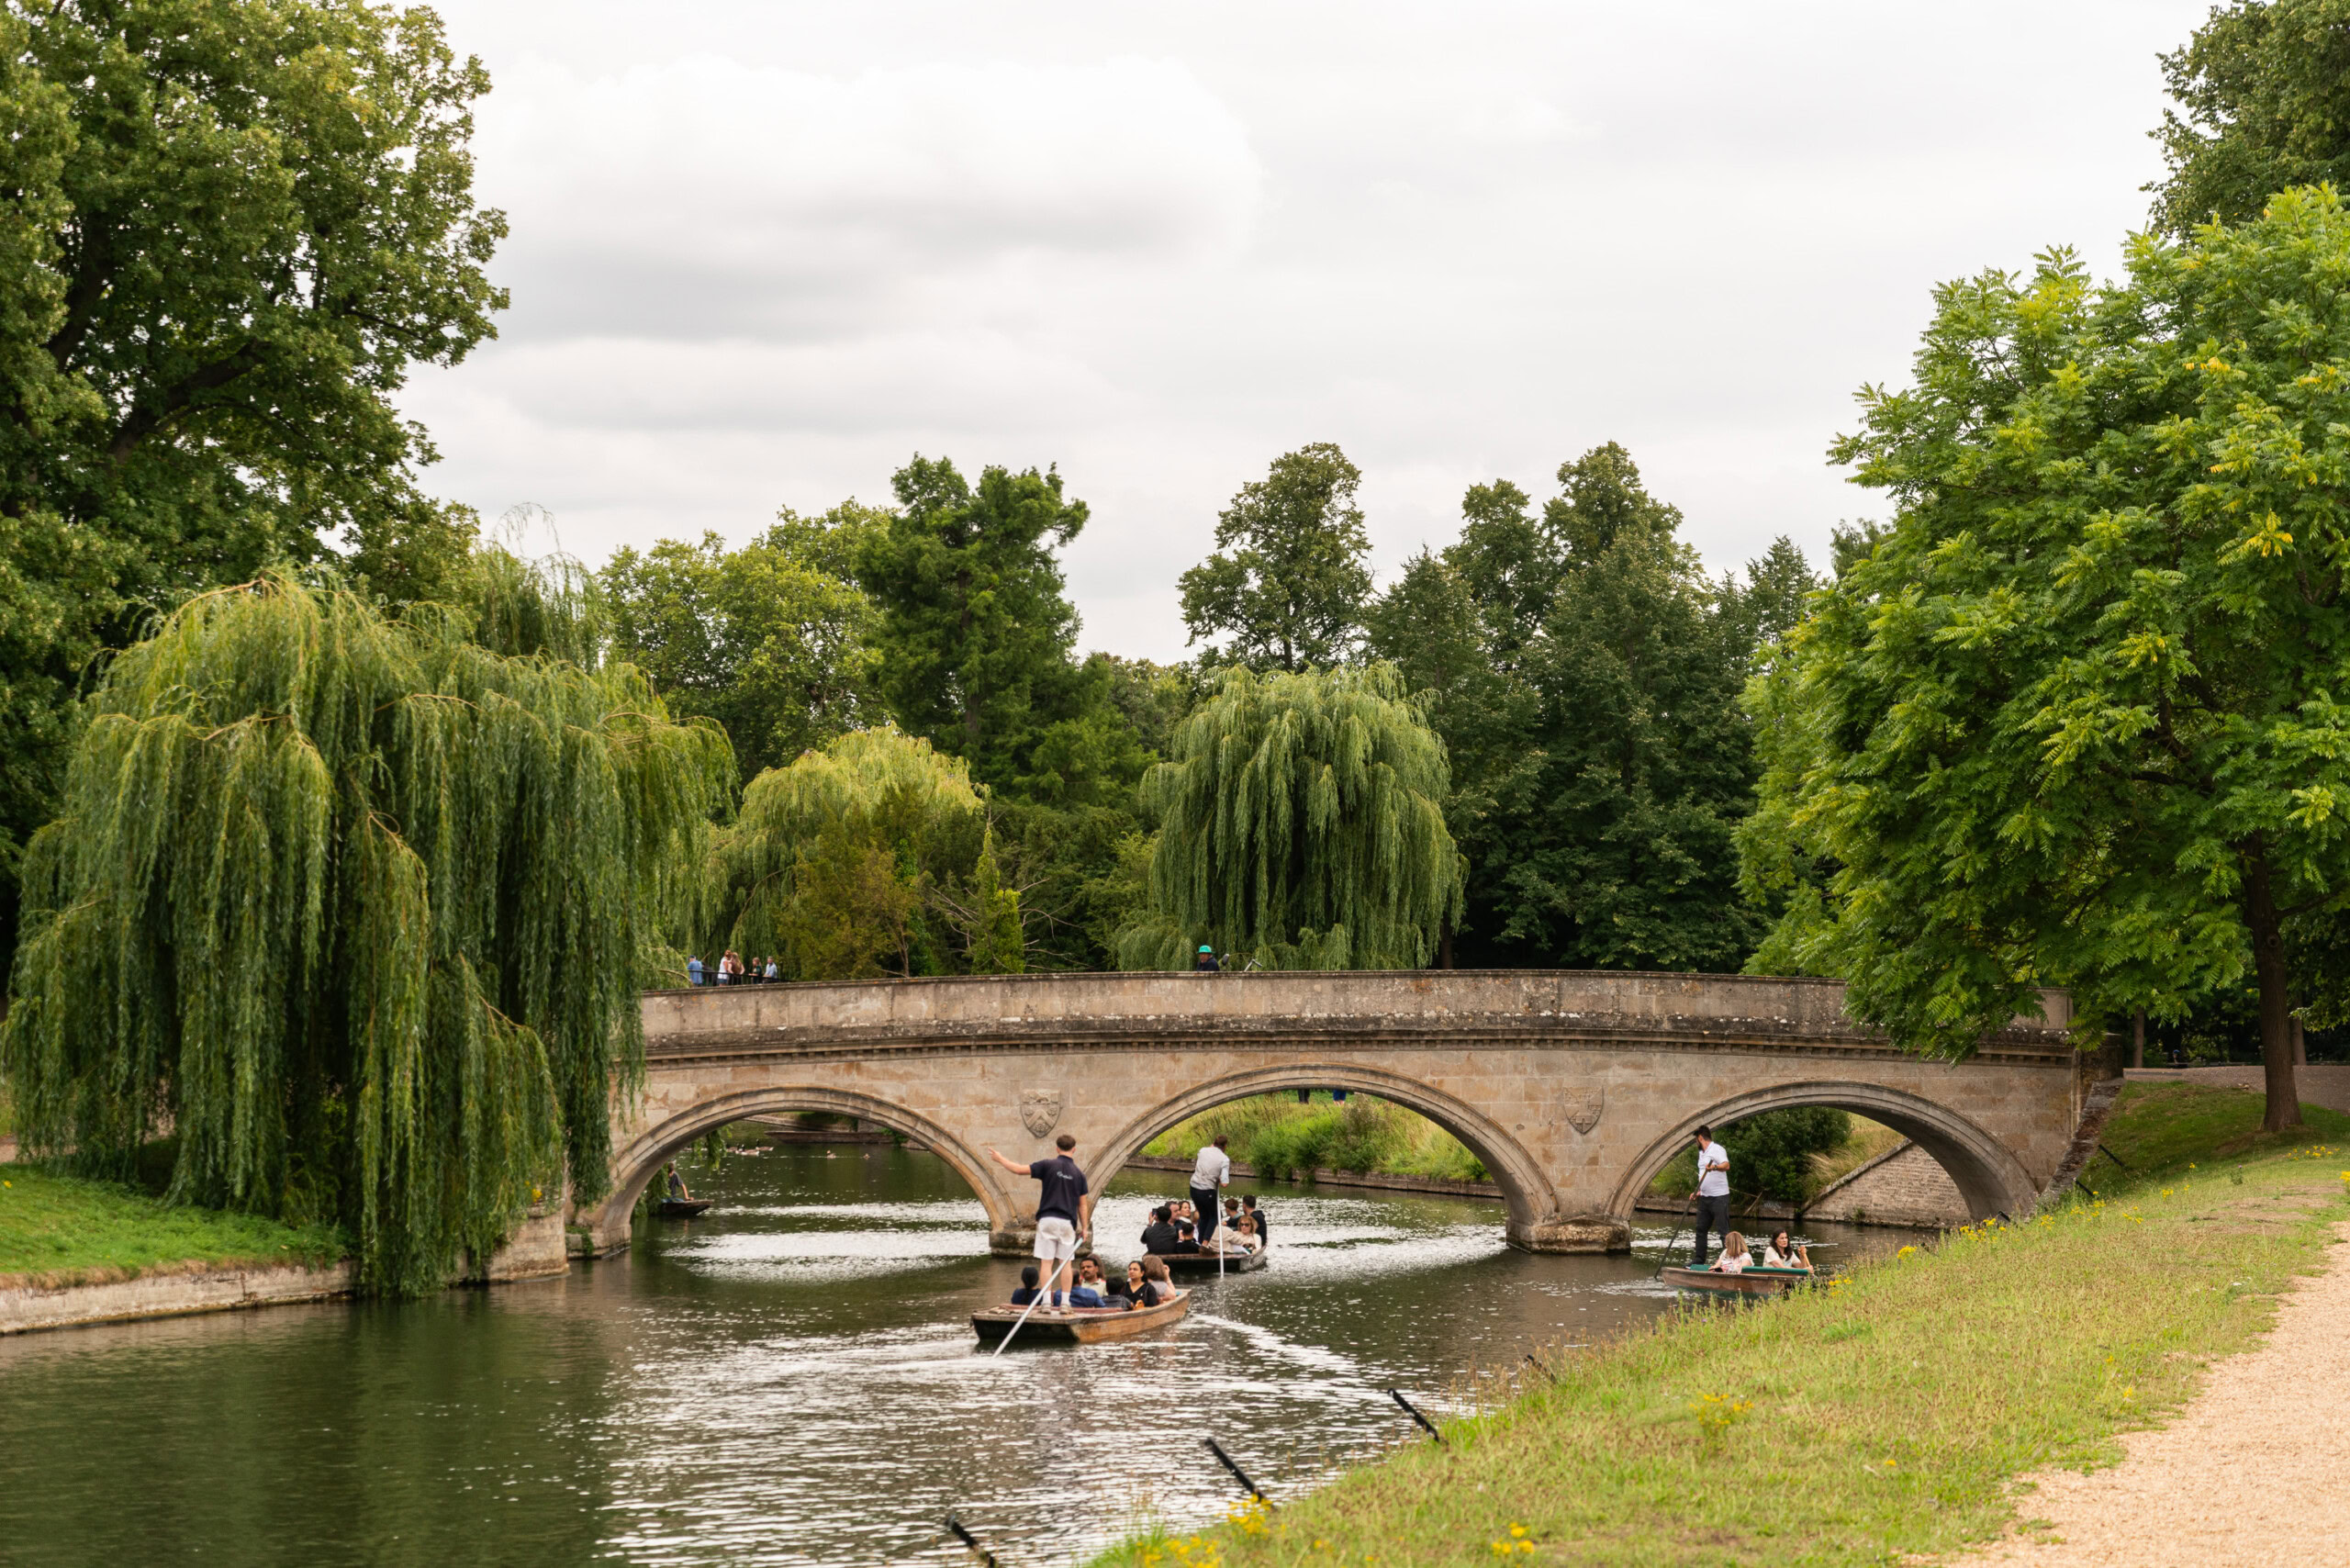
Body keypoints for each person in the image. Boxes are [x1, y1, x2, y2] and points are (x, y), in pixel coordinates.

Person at [986, 1131, 1092, 1308]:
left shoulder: (1047, 1165)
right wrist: (1085, 1227)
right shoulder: (1079, 1174)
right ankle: (1065, 1303)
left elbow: (1019, 1170)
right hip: (1067, 1222)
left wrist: (1000, 1159)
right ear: (1074, 1150)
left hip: (1047, 1219)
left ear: (1057, 1148)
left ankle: (1046, 1303)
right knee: (1065, 1263)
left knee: (1046, 1262)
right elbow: (1082, 1205)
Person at [1686, 1126, 1730, 1267]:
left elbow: (1726, 1165)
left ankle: (1729, 1261)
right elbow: (1702, 1175)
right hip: (1705, 1197)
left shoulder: (1717, 1149)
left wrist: (1714, 1168)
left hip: (1719, 1197)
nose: (1696, 1142)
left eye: (1696, 1139)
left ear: (1700, 1137)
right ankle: (1699, 1260)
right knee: (1700, 1229)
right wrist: (1697, 1191)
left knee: (1723, 1231)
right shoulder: (1702, 1153)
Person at [1191, 1135, 1231, 1245]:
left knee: (1204, 1216)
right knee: (1214, 1216)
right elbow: (1224, 1183)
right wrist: (1218, 1178)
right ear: (1225, 1146)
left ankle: (1200, 1242)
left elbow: (1209, 1151)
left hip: (1193, 1188)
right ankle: (1205, 1242)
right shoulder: (1224, 1159)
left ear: (1213, 1143)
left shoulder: (1203, 1151)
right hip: (1206, 1190)